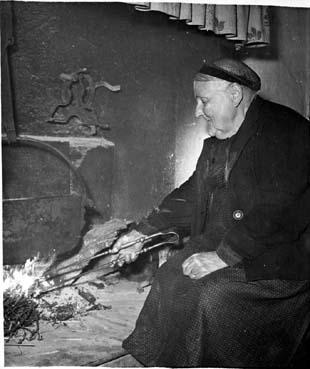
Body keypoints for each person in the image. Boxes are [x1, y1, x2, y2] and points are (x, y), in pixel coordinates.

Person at [111, 58, 310, 367]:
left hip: (279, 258)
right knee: (168, 277)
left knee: (210, 295)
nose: (197, 111)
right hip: (235, 244)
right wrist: (143, 231)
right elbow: (190, 195)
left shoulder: (288, 130)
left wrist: (222, 257)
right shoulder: (219, 142)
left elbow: (279, 210)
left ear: (234, 94)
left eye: (204, 101)